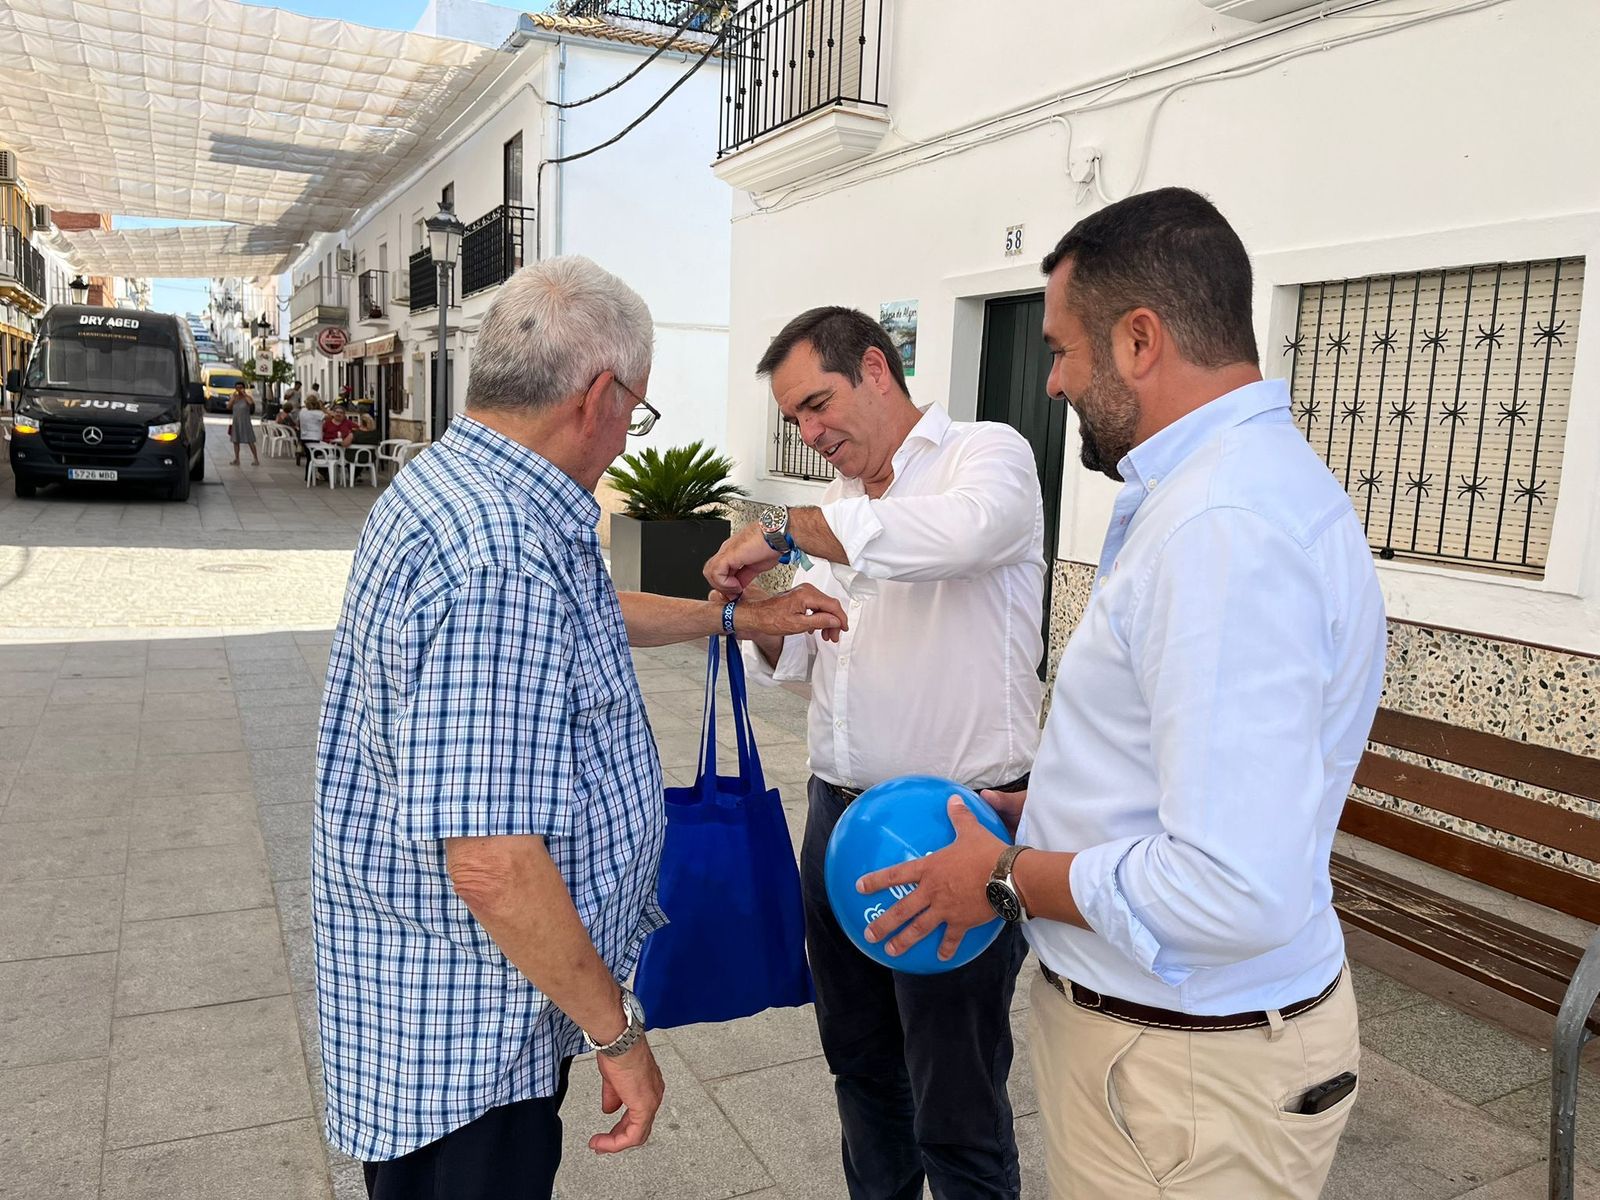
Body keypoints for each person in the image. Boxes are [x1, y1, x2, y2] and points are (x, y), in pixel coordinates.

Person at [854, 188, 1387, 1200]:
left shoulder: (1221, 530)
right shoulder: (1213, 496)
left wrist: (1010, 877)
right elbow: (1182, 766)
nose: (1050, 379)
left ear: (1139, 339)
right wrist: (1048, 807)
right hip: (1177, 1068)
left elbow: (1234, 882)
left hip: (1186, 1079)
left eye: (1062, 349)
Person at [312, 255, 848, 1200]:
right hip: (472, 1036)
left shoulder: (460, 487)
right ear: (598, 395)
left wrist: (735, 618)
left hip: (431, 1005)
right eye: (636, 414)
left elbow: (589, 607)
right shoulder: (503, 554)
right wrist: (618, 1033)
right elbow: (491, 857)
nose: (625, 436)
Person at [703, 306, 1046, 1200]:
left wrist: (782, 529)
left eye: (820, 404)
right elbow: (802, 658)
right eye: (797, 421)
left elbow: (958, 536)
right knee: (860, 1072)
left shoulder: (988, 455)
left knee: (957, 1100)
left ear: (877, 369)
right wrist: (763, 614)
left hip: (954, 826)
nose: (812, 434)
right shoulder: (846, 510)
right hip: (837, 818)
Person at [228, 382, 258, 466]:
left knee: (250, 440)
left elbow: (251, 403)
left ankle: (256, 458)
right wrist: (233, 398)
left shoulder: (247, 397)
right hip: (236, 421)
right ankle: (237, 459)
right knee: (235, 440)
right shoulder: (234, 397)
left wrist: (244, 394)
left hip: (245, 421)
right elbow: (228, 407)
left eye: (241, 387)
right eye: (237, 387)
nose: (239, 389)